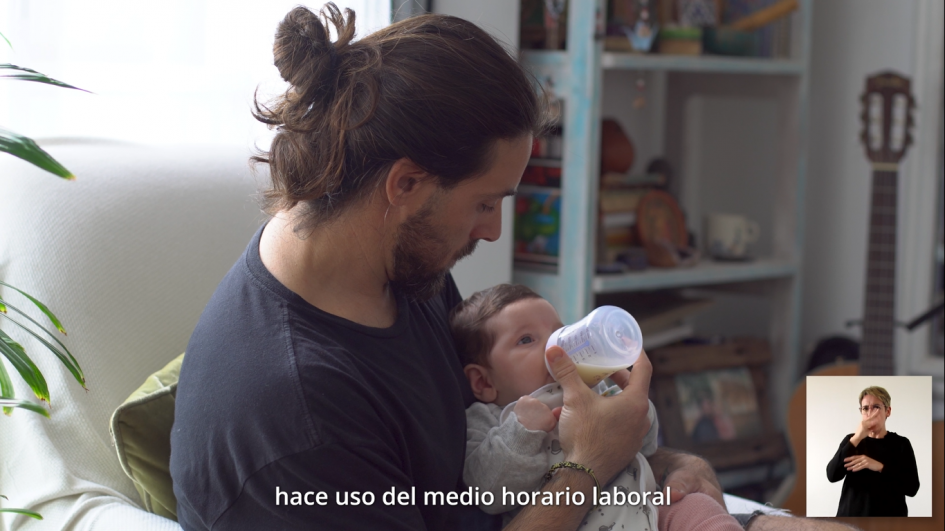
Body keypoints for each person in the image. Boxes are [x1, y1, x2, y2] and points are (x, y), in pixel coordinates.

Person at [170, 4, 859, 531]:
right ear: (405, 185)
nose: (493, 229)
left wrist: (677, 465)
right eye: (484, 202)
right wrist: (587, 467)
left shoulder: (398, 269)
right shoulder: (294, 417)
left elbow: (498, 443)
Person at [452, 284, 744, 531]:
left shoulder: (593, 389)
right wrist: (522, 433)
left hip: (646, 511)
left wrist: (636, 407)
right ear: (483, 382)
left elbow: (645, 445)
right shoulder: (487, 419)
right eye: (526, 340)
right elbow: (489, 494)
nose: (556, 349)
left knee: (697, 507)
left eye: (560, 332)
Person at [826, 385, 920, 516]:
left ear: (888, 411)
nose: (870, 413)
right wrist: (857, 438)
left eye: (876, 407)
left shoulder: (901, 443)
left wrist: (879, 467)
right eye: (865, 408)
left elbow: (912, 488)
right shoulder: (851, 440)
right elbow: (832, 475)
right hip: (852, 518)